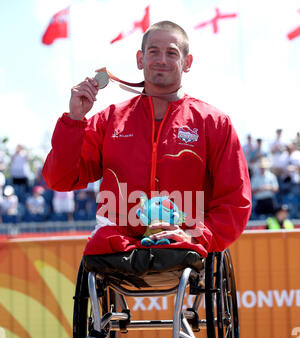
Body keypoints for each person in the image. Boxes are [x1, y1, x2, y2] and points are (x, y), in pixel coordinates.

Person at [42, 21, 252, 258]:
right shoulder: (108, 120)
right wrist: (75, 119)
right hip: (117, 245)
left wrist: (195, 235)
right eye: (153, 51)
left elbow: (235, 201)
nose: (161, 59)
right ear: (140, 59)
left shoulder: (213, 122)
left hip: (185, 242)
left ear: (187, 63)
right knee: (99, 247)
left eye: (171, 53)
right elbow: (60, 179)